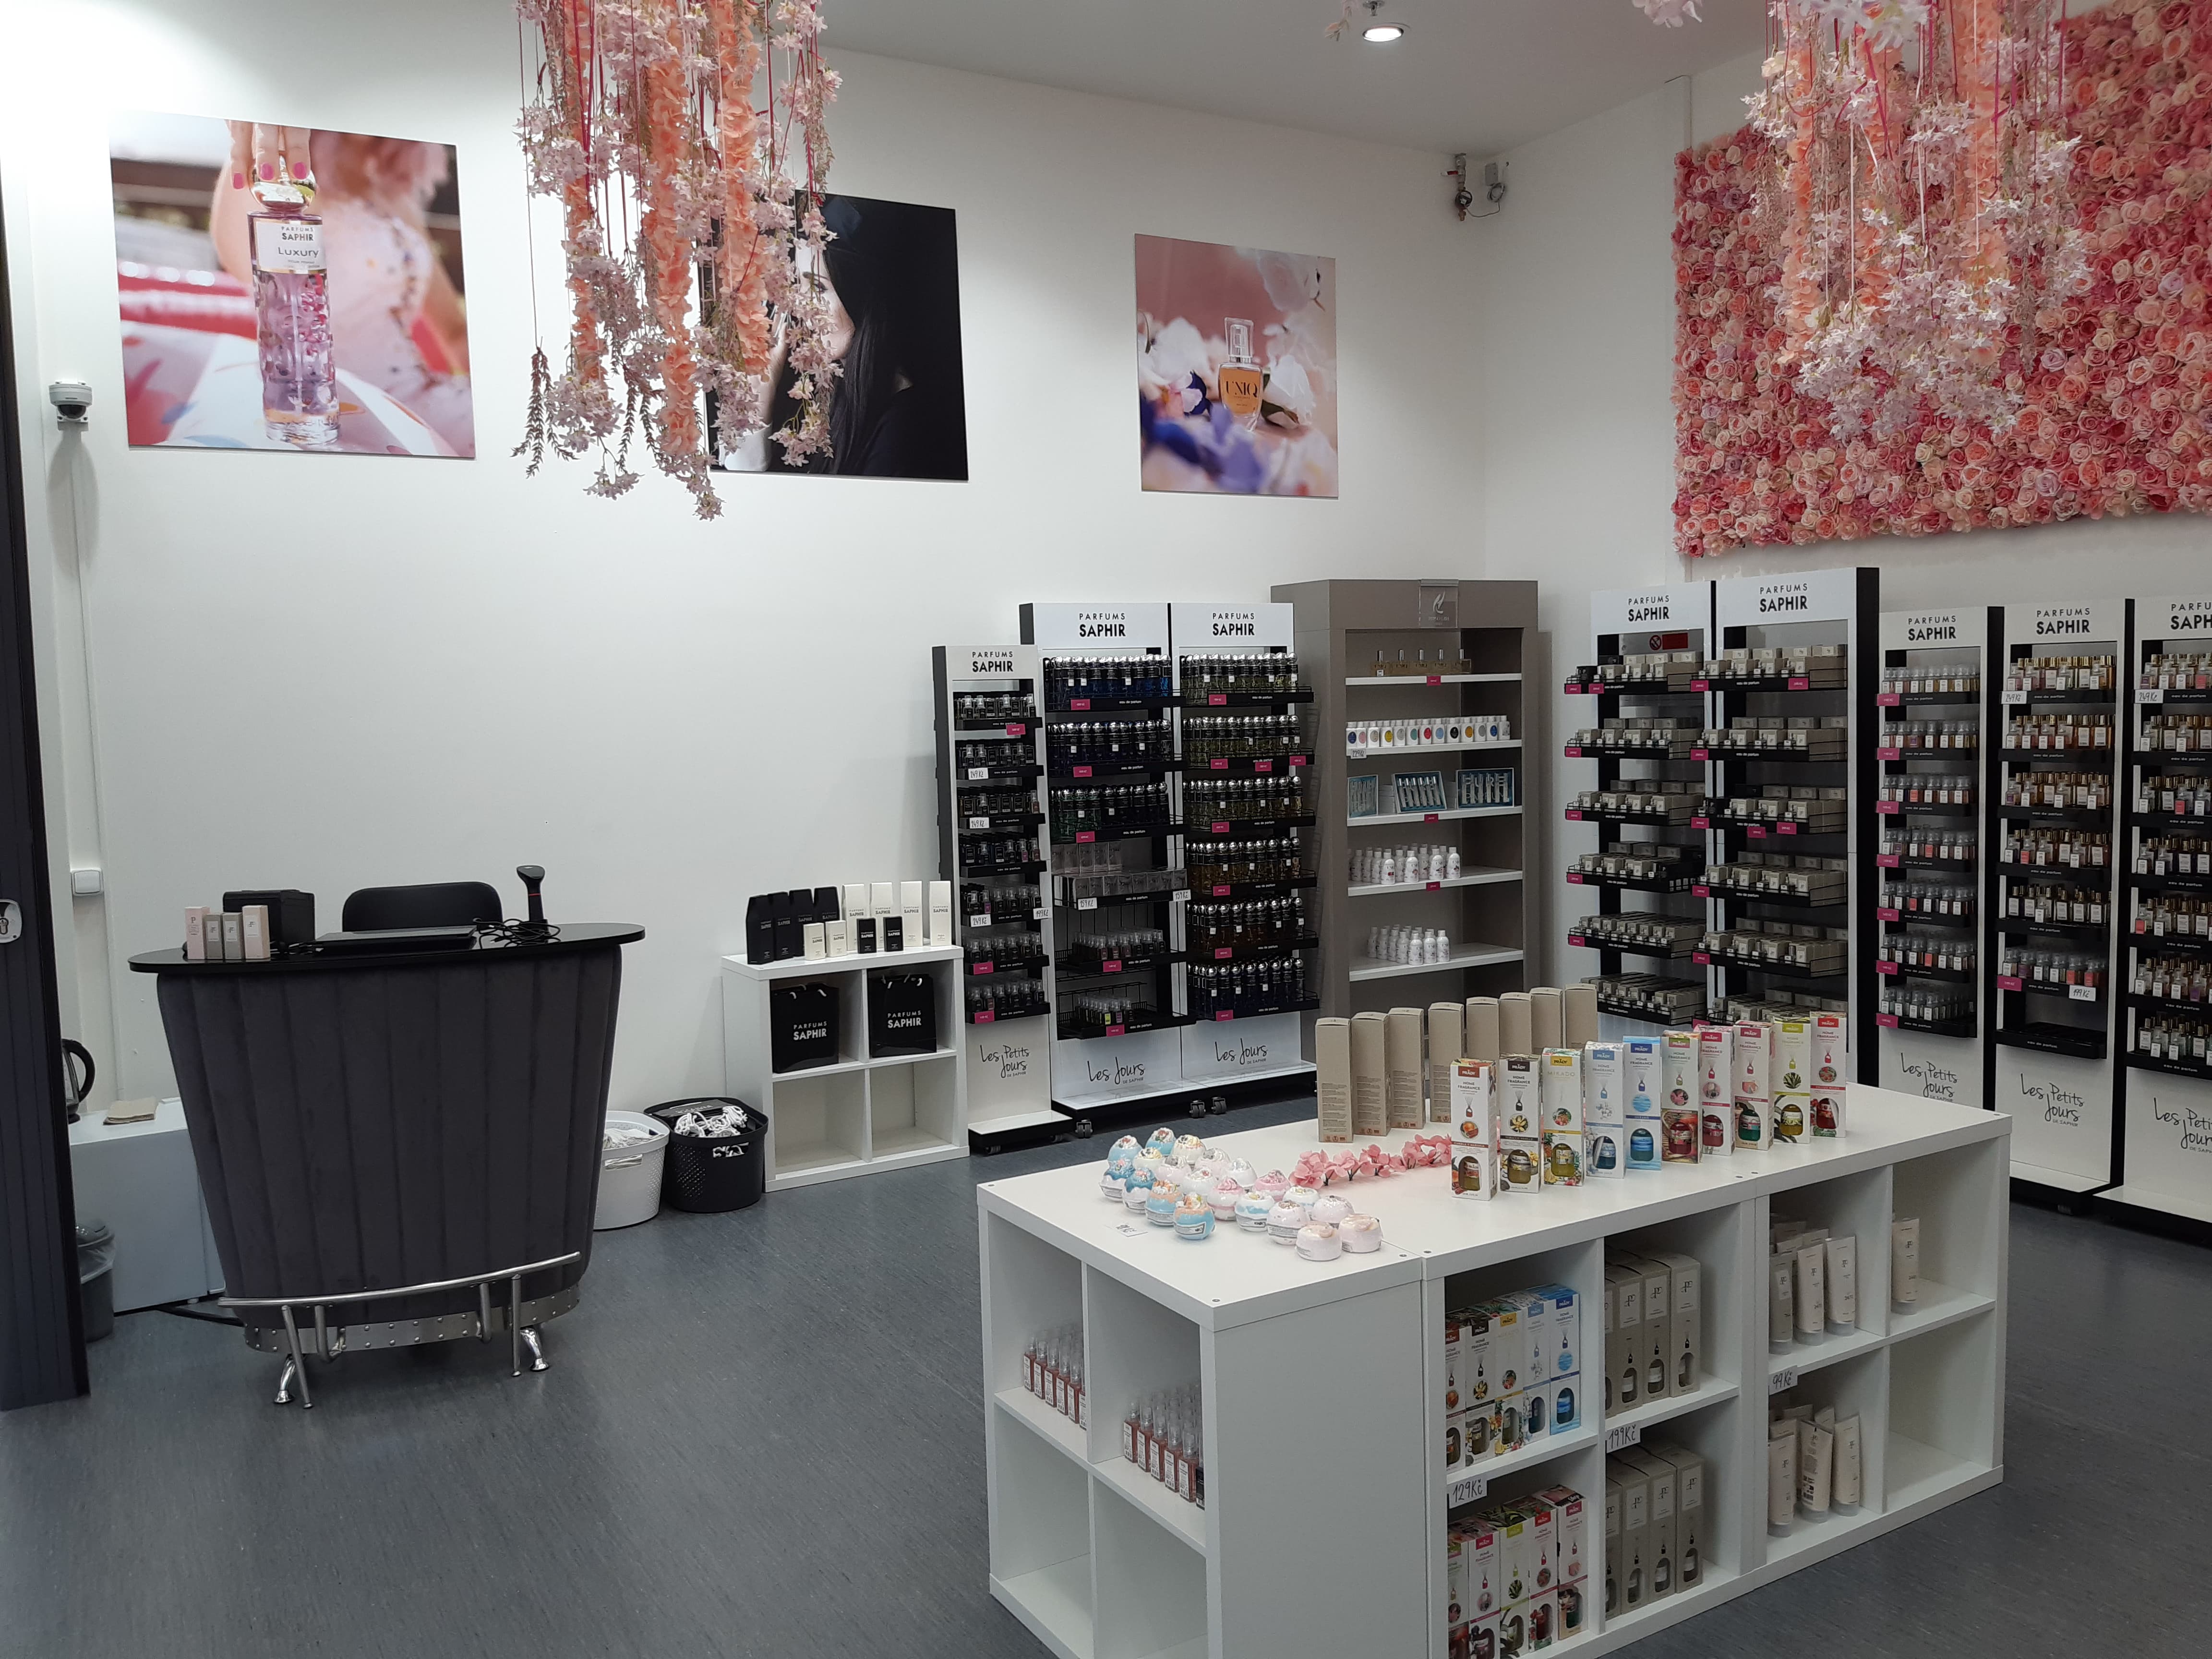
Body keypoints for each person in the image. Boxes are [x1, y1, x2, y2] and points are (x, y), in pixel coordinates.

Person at [209, 122, 473, 455]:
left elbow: (454, 332)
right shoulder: (288, 182)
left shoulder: (396, 198)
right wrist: (260, 134)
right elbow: (241, 260)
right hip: (326, 408)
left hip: (421, 400)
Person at [755, 195, 967, 479]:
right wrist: (760, 402)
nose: (801, 308)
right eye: (800, 287)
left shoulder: (904, 429)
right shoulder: (834, 397)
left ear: (861, 296)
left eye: (818, 288)